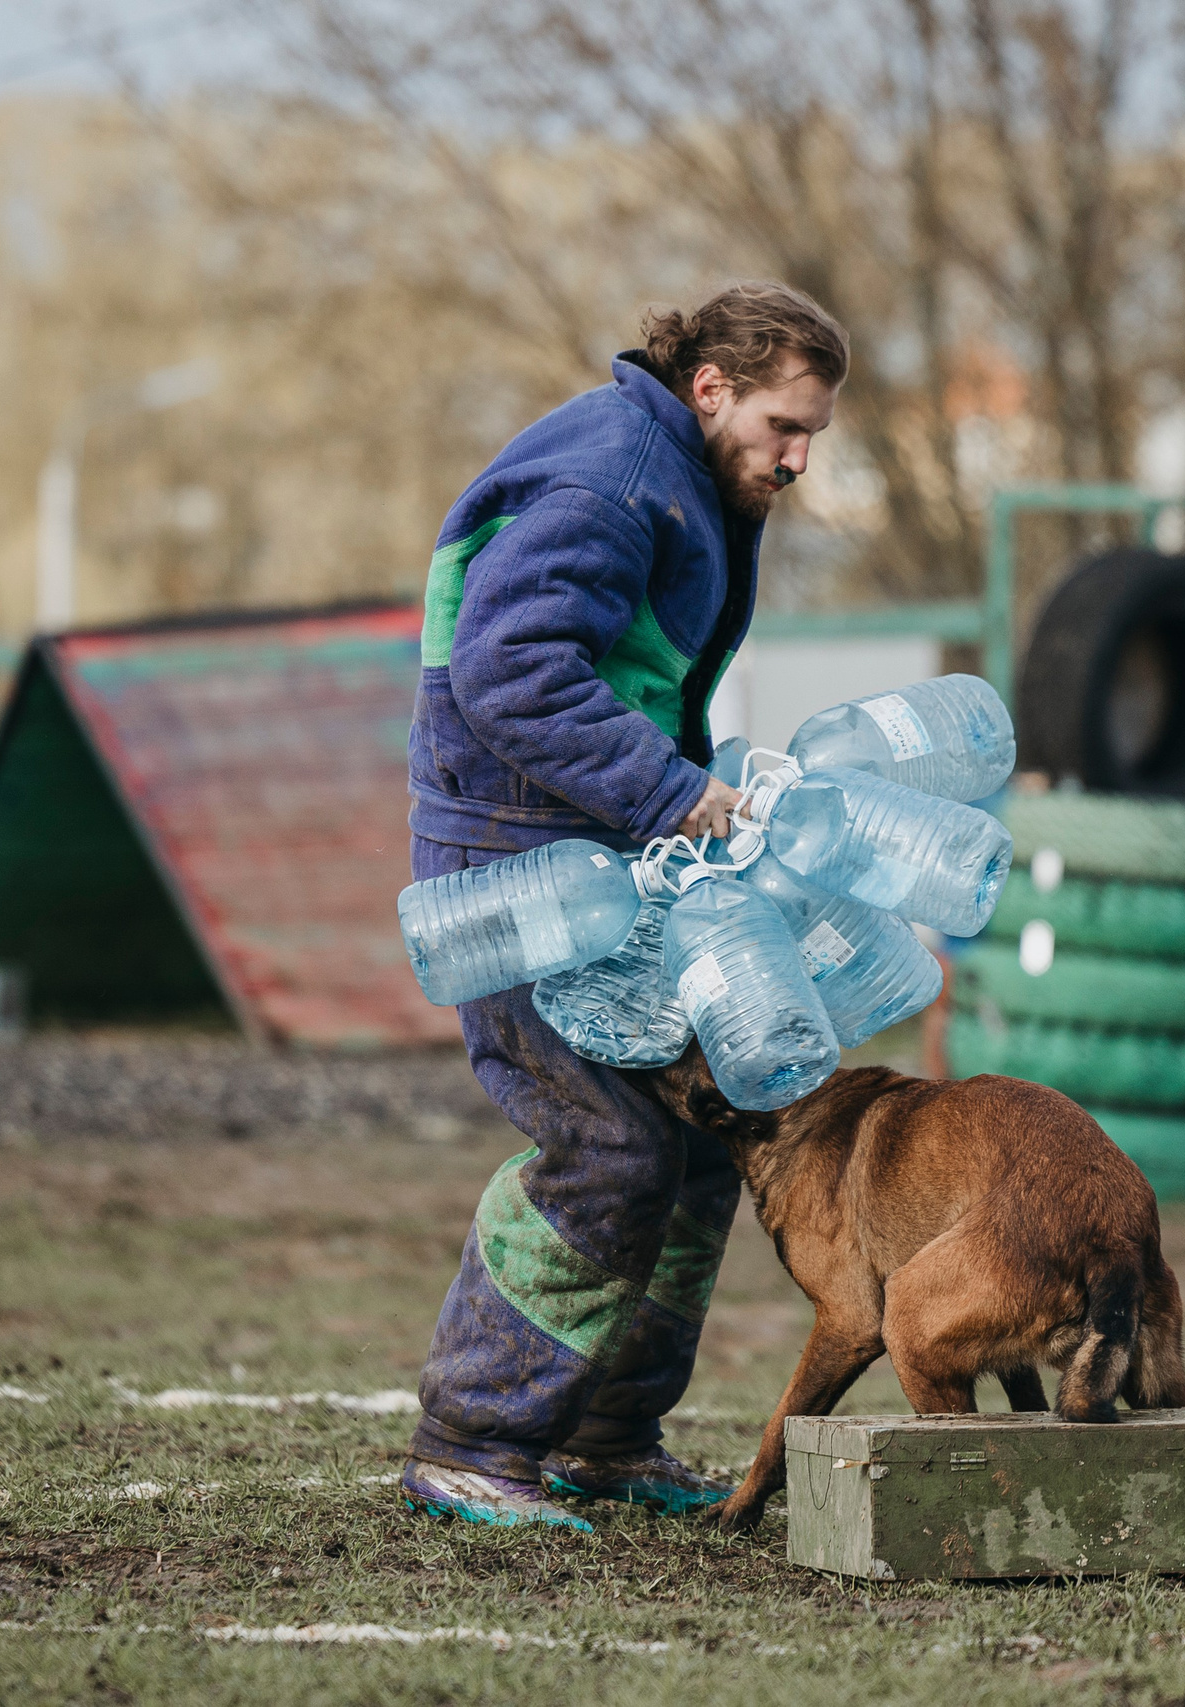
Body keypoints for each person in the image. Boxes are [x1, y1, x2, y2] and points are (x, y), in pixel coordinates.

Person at [397, 281, 847, 1530]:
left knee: (700, 1139)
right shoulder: (610, 479)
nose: (799, 460)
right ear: (711, 388)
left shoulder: (674, 472)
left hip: (594, 857)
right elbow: (510, 667)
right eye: (783, 428)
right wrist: (668, 790)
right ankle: (471, 1442)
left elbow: (623, 673)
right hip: (516, 869)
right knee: (607, 1146)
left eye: (810, 435)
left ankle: (606, 1435)